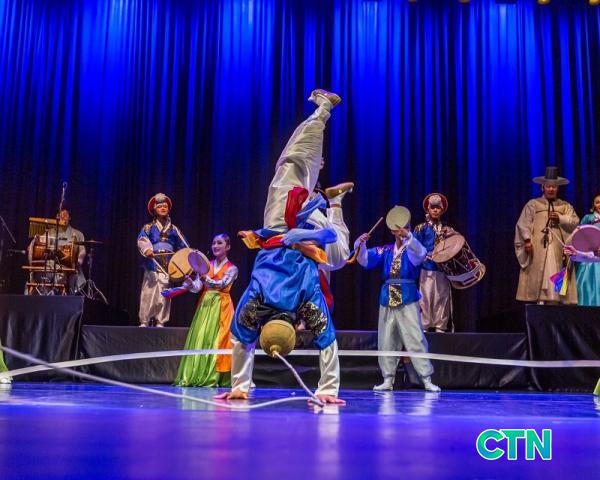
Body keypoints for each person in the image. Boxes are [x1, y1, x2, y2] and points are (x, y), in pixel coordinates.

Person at [215, 89, 345, 405]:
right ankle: (323, 111)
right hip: (283, 225)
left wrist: (241, 388)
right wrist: (299, 236)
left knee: (292, 163)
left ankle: (322, 117)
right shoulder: (290, 298)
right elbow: (243, 339)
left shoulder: (278, 301)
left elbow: (242, 339)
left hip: (277, 227)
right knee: (292, 163)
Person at [354, 206, 441, 393]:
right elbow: (365, 260)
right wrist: (361, 245)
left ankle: (426, 378)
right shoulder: (386, 250)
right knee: (387, 338)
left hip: (407, 295)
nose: (402, 232)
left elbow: (421, 254)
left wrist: (409, 237)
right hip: (387, 296)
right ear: (393, 231)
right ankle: (388, 378)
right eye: (399, 229)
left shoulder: (412, 249)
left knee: (414, 337)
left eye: (406, 228)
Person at [174, 234, 238, 387]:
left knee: (219, 340)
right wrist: (190, 283)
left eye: (219, 243)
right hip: (205, 305)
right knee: (201, 337)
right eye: (214, 243)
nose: (215, 246)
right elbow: (198, 288)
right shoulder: (206, 265)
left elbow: (221, 284)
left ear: (228, 247)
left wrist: (205, 279)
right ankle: (197, 373)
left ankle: (215, 376)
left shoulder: (232, 268)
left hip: (222, 306)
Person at [515, 166, 579, 304]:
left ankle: (555, 301)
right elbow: (523, 223)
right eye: (548, 186)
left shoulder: (564, 206)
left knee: (556, 270)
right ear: (542, 187)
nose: (551, 189)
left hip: (557, 248)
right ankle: (539, 302)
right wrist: (527, 240)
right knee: (539, 272)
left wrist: (560, 218)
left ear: (557, 189)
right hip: (538, 248)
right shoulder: (533, 204)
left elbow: (575, 222)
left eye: (554, 187)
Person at [137, 193, 188, 327]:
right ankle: (144, 321)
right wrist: (147, 249)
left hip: (167, 265)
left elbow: (184, 246)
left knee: (164, 294)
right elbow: (142, 239)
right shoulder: (148, 227)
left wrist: (187, 258)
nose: (163, 208)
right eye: (160, 207)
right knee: (148, 293)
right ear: (155, 210)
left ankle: (160, 321)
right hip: (152, 263)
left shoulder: (174, 229)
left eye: (165, 206)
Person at [414, 193, 453, 332]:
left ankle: (440, 326)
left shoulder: (447, 229)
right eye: (433, 207)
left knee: (441, 297)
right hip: (427, 268)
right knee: (425, 297)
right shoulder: (421, 228)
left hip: (442, 269)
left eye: (438, 208)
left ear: (442, 210)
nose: (435, 210)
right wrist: (424, 256)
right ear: (428, 209)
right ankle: (425, 325)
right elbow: (414, 246)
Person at [26, 208, 87, 294]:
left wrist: (78, 261)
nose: (62, 217)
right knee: (40, 274)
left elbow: (82, 251)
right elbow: (40, 242)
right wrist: (35, 241)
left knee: (70, 275)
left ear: (70, 217)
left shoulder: (78, 234)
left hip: (67, 267)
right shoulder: (51, 232)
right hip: (49, 266)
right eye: (60, 215)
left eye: (65, 215)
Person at [567, 194, 600, 306]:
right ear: (593, 205)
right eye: (597, 202)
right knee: (586, 284)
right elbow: (580, 235)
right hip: (589, 257)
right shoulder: (588, 218)